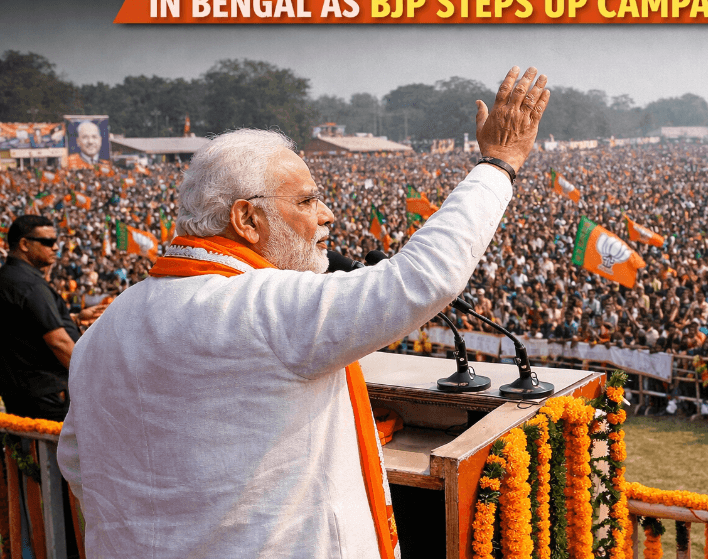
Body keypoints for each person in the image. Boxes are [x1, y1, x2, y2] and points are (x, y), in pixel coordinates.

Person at [57, 66, 550, 558]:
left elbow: (78, 463)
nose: (327, 214)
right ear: (248, 219)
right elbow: (421, 280)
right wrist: (499, 165)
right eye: (308, 199)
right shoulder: (261, 308)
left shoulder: (104, 330)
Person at [0, 215, 105, 420]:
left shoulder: (7, 277)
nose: (56, 247)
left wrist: (73, 319)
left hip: (18, 391)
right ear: (24, 244)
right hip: (48, 396)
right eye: (48, 242)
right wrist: (95, 380)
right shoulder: (30, 285)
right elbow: (59, 342)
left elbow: (24, 327)